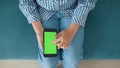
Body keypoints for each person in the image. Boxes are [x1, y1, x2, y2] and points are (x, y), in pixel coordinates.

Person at [19, 0, 97, 68]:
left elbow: (87, 1)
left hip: (73, 10)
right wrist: (39, 31)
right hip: (44, 11)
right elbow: (26, 2)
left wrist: (71, 30)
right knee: (47, 63)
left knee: (72, 60)